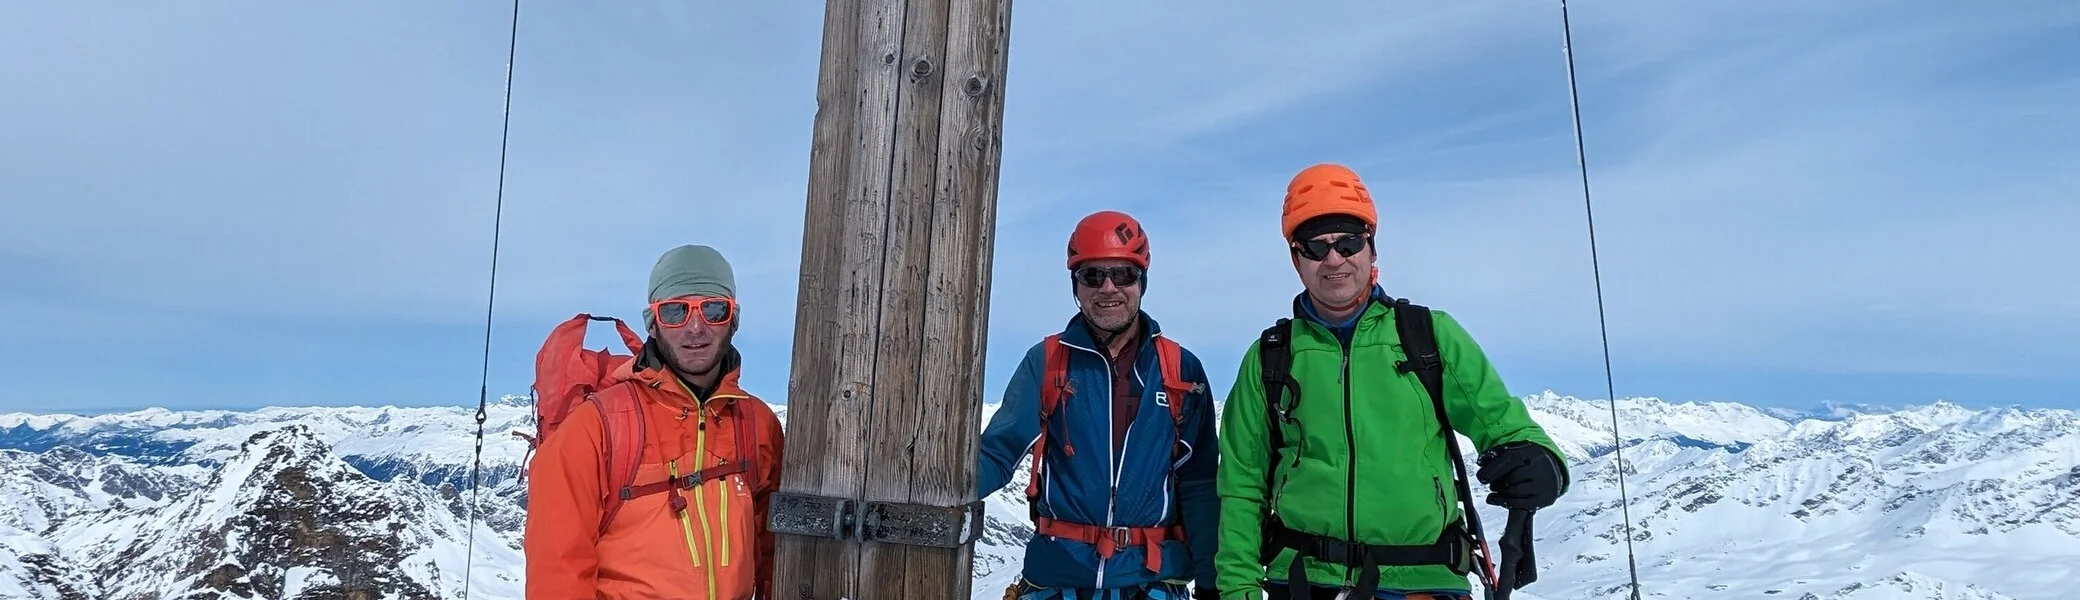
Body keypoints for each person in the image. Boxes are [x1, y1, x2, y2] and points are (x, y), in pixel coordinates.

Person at [1213, 164, 1570, 600]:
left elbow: (1508, 427)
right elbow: (1241, 486)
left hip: (1421, 582)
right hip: (1303, 582)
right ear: (1296, 259)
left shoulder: (1427, 336)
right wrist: (1236, 590)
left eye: (1348, 242)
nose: (1334, 259)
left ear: (1371, 248)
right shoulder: (1270, 357)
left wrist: (1543, 463)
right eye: (1314, 247)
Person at [977, 211, 1223, 600]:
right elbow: (996, 453)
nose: (1108, 288)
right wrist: (931, 487)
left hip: (1151, 581)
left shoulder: (1180, 370)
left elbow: (1200, 483)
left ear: (1142, 281)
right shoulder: (1047, 362)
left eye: (1123, 274)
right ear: (1075, 284)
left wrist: (1212, 584)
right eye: (1092, 275)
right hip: (1058, 580)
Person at [525, 244, 786, 600]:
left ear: (733, 318)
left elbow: (775, 557)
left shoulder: (757, 424)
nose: (696, 327)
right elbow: (558, 576)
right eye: (675, 312)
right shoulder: (596, 427)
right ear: (653, 323)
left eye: (713, 309)